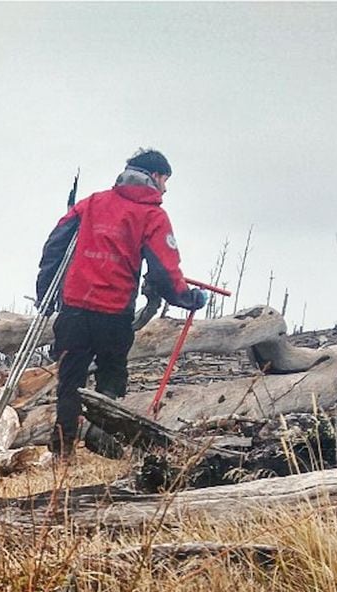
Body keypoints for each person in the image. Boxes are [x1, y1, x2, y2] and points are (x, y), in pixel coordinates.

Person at [35, 147, 208, 459]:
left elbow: (54, 246)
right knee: (112, 376)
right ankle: (101, 435)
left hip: (74, 308)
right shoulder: (153, 215)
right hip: (114, 314)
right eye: (166, 180)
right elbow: (164, 270)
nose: (166, 188)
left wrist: (44, 294)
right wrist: (188, 298)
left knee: (69, 380)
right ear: (155, 176)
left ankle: (63, 453)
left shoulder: (91, 203)